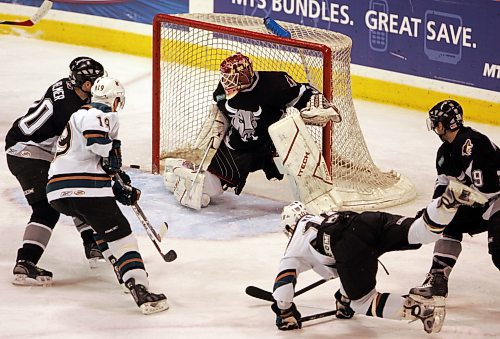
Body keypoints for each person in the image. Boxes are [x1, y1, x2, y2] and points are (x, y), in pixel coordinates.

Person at [269, 179, 487, 334]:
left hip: (348, 245)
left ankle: (423, 310)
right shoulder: (322, 216)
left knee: (362, 302)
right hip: (365, 221)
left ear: (289, 227)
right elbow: (345, 268)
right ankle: (447, 203)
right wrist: (343, 299)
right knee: (421, 231)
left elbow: (283, 287)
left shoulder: (294, 244)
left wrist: (285, 312)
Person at [46, 76, 168, 314]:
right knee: (122, 236)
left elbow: (96, 161)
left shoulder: (77, 115)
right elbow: (98, 145)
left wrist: (117, 183)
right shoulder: (99, 113)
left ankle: (122, 272)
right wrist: (112, 154)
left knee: (101, 228)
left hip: (58, 192)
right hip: (85, 188)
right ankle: (140, 290)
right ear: (114, 100)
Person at [164, 52, 340, 210]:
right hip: (238, 146)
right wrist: (219, 121)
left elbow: (304, 92)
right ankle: (178, 172)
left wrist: (317, 104)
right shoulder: (223, 89)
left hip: (272, 143)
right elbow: (220, 101)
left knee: (300, 167)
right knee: (213, 190)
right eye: (225, 78)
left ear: (244, 76)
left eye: (231, 79)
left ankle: (314, 201)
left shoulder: (274, 84)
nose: (226, 83)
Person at [5, 57, 107, 286]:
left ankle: (91, 244)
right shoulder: (72, 110)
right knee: (46, 208)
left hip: (34, 148)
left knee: (71, 190)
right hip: (25, 152)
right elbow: (77, 148)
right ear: (86, 85)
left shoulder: (67, 86)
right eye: (96, 81)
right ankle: (26, 262)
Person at [410, 99, 500, 300]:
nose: (433, 126)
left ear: (444, 123)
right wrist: (433, 212)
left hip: (496, 199)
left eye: (435, 122)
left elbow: (488, 192)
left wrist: (453, 202)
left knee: (499, 250)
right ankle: (438, 278)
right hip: (484, 202)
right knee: (446, 221)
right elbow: (442, 186)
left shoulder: (472, 143)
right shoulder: (444, 153)